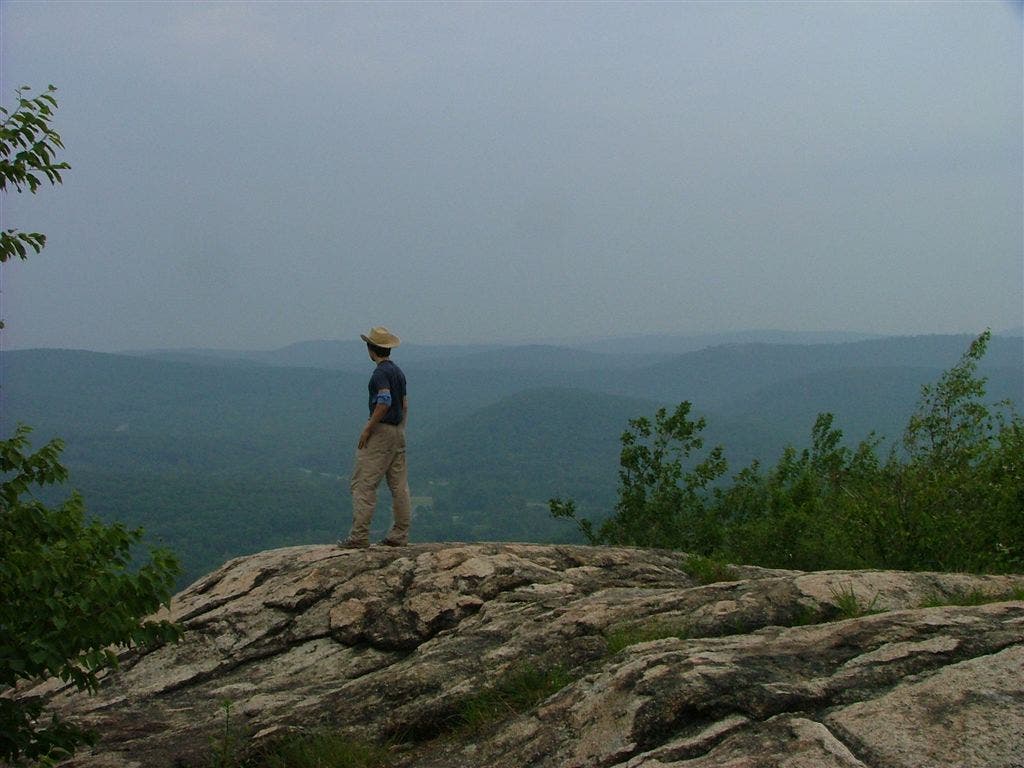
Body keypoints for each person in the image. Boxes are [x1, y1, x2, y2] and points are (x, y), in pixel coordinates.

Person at [339, 326, 411, 548]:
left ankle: (359, 537)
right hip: (398, 431)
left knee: (363, 484)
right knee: (399, 485)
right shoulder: (398, 371)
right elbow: (404, 404)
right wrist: (399, 428)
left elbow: (385, 400)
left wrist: (369, 428)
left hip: (381, 431)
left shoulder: (380, 373)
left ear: (371, 349)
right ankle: (400, 534)